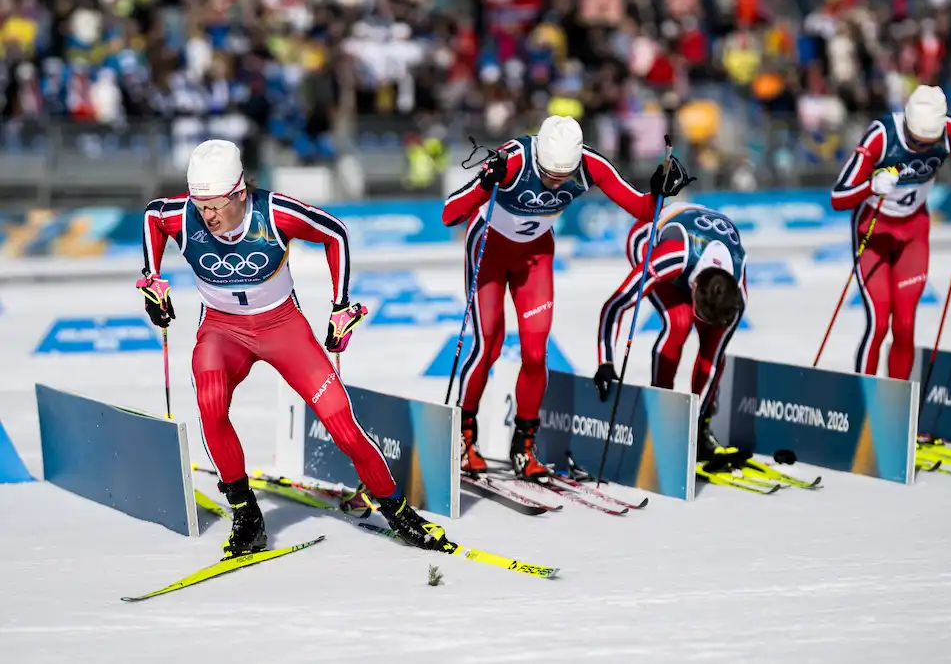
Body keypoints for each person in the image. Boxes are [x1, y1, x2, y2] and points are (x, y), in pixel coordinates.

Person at [137, 139, 448, 557]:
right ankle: (245, 511)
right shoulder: (184, 215)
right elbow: (153, 216)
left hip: (282, 327)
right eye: (200, 204)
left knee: (342, 423)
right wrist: (151, 278)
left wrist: (340, 305)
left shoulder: (275, 212)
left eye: (215, 205)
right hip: (222, 331)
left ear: (240, 192)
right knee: (210, 407)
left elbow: (335, 233)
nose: (206, 215)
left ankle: (396, 510)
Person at [442, 116, 688, 480]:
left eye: (563, 176)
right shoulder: (512, 159)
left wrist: (660, 191)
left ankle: (523, 446)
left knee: (536, 352)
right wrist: (484, 184)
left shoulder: (591, 165)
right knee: (488, 346)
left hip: (536, 255)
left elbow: (641, 210)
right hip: (488, 249)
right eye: (548, 174)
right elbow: (450, 214)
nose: (556, 183)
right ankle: (463, 436)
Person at [830, 84, 951, 379]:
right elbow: (838, 197)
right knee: (878, 324)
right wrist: (871, 185)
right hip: (874, 233)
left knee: (904, 326)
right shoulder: (881, 135)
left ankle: (897, 408)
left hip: (913, 233)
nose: (919, 149)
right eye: (915, 142)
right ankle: (860, 403)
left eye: (926, 144)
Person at [593, 198, 747, 462]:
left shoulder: (738, 296)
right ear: (694, 288)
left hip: (701, 248)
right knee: (679, 323)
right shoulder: (671, 257)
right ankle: (660, 415)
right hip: (649, 236)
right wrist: (606, 361)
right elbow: (615, 305)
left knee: (712, 346)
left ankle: (702, 426)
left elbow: (713, 360)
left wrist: (696, 423)